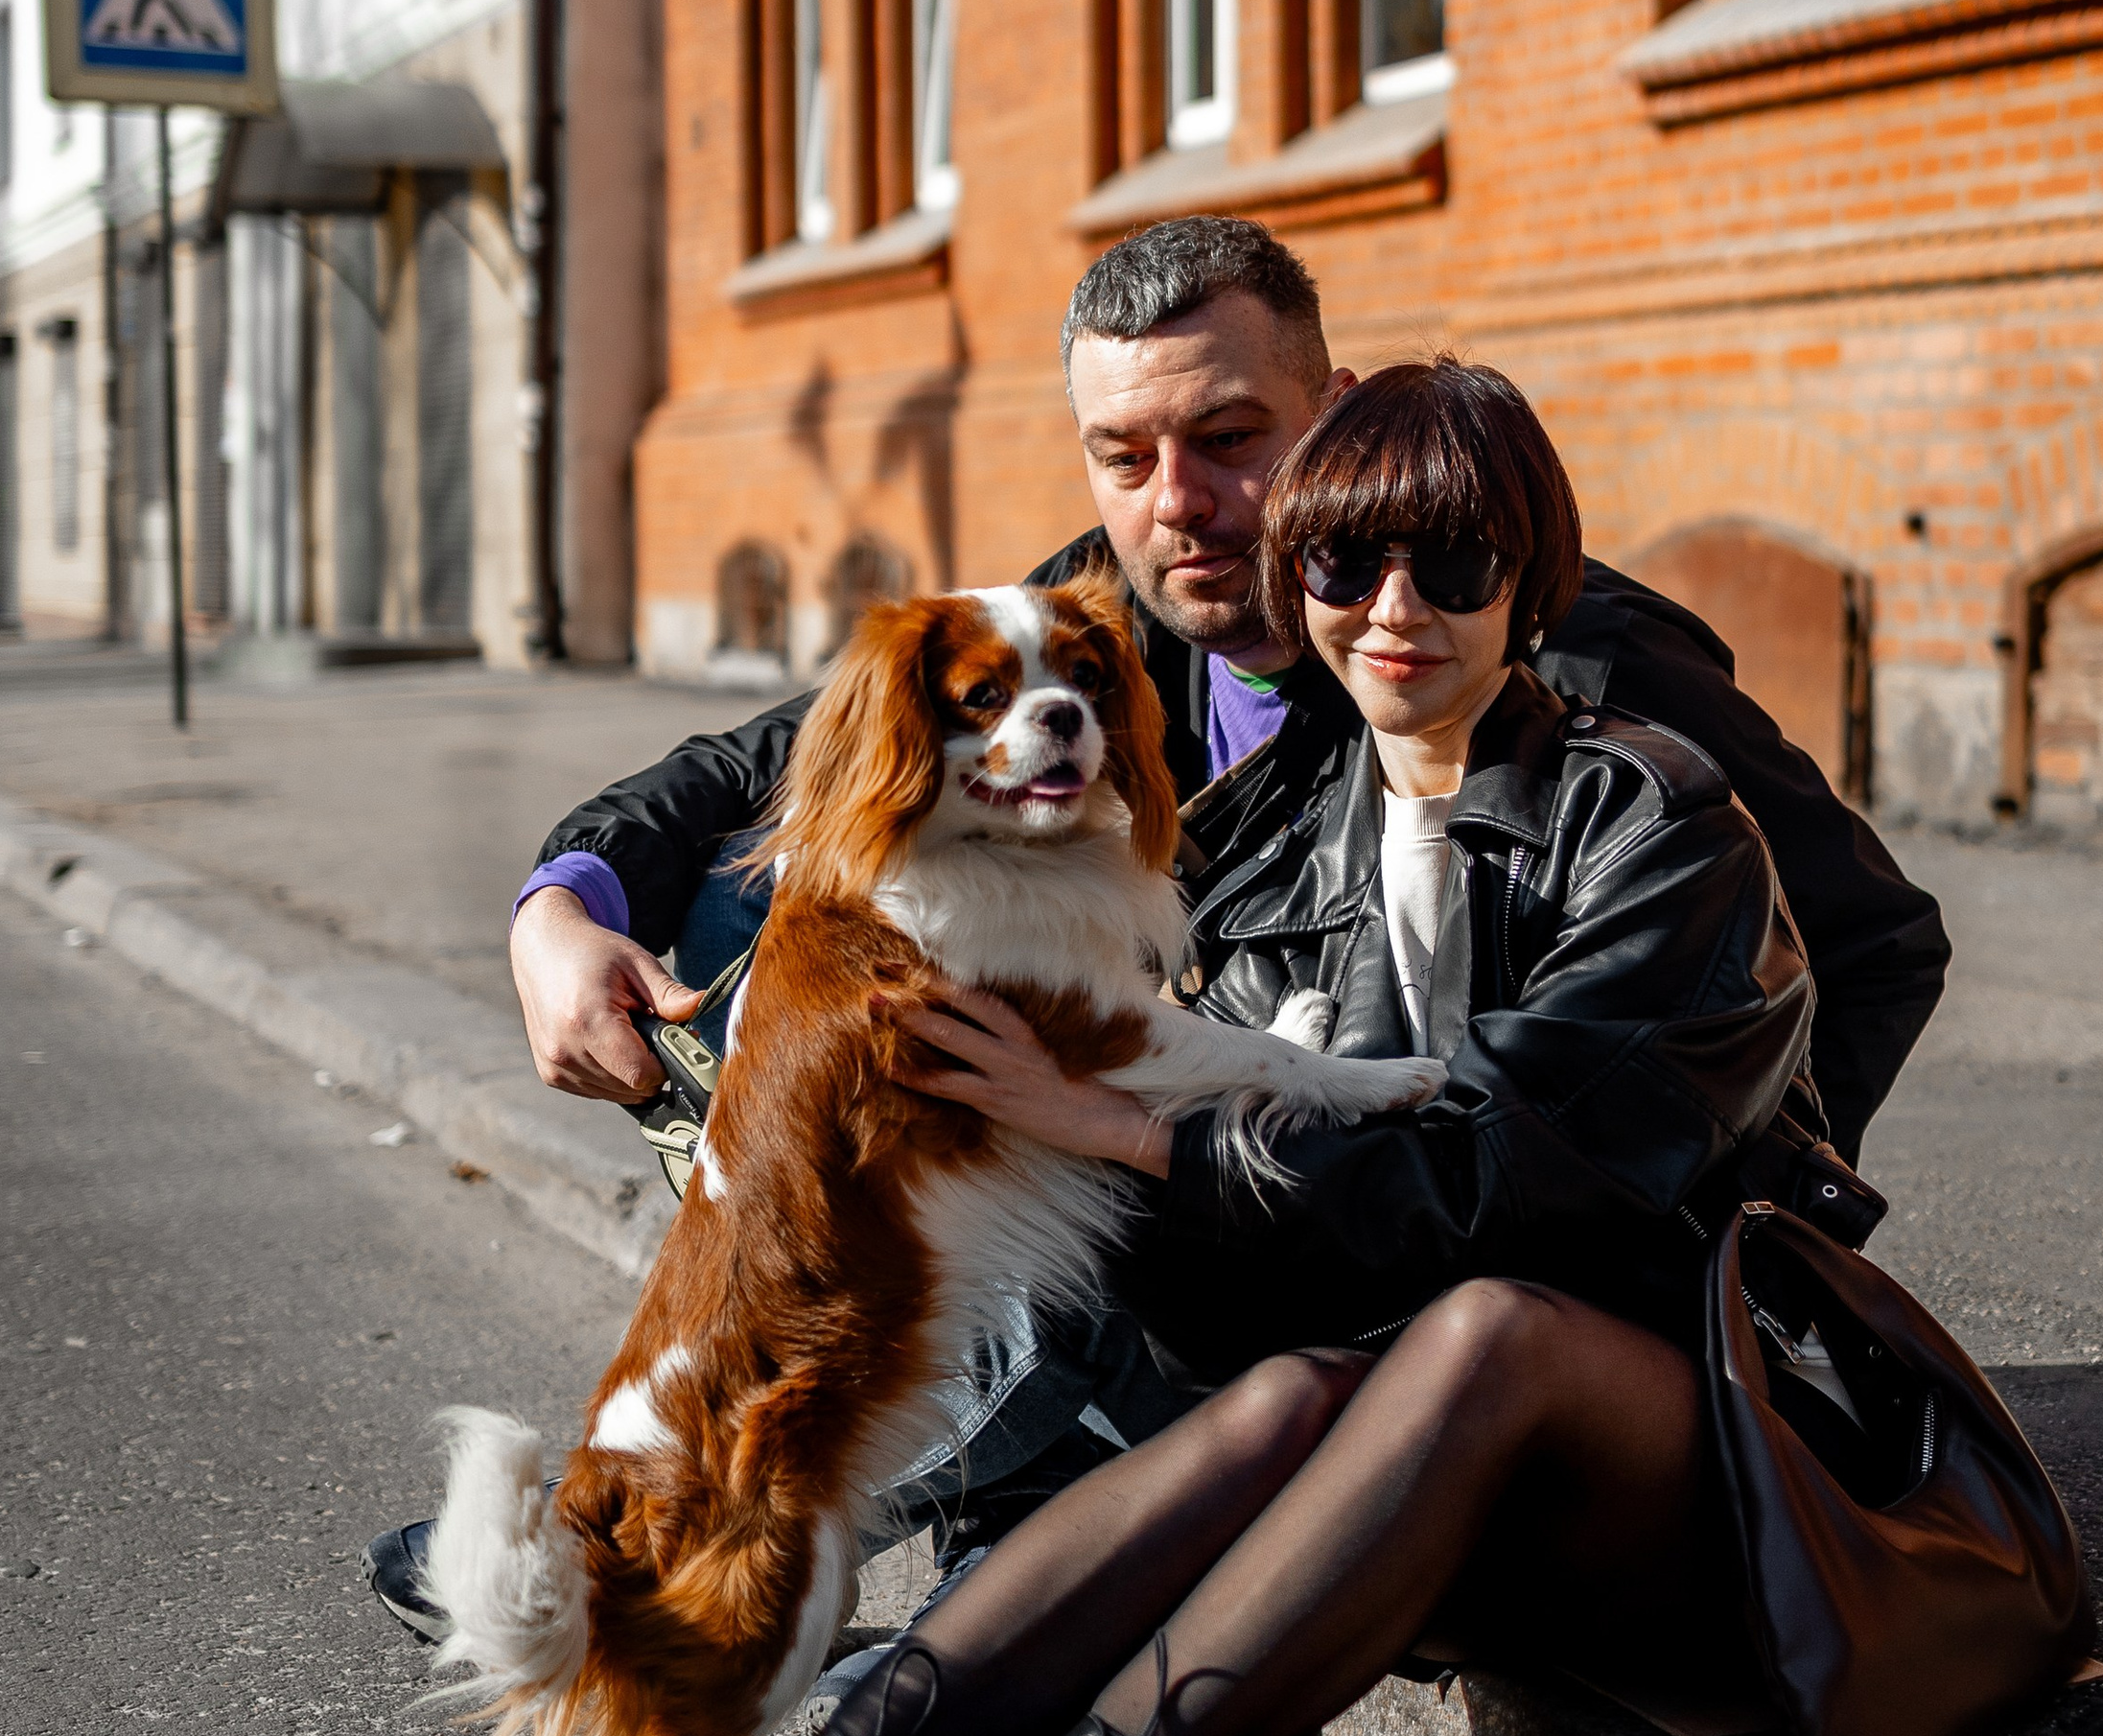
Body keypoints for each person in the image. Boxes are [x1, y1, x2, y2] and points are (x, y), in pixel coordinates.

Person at [432, 358, 1821, 1736]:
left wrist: (1122, 1129)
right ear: (1293, 590)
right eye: (1345, 569)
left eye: (1456, 564)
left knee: (1475, 1332)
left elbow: (1501, 1191)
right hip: (1396, 1461)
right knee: (1300, 1391)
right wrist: (573, 896)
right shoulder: (1302, 820)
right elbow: (797, 765)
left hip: (1679, 1444)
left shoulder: (1657, 821)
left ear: (1539, 579)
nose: (1393, 609)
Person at [370, 220, 1947, 1630]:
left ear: (1335, 414)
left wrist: (1695, 1220)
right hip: (1210, 1155)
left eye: (1230, 438)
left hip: (1402, 1214)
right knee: (802, 891)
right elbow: (771, 761)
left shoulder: (1548, 650)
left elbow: (1872, 945)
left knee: (1062, 1180)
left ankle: (793, 1566)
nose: (1178, 505)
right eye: (1123, 456)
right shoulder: (1114, 613)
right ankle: (853, 1530)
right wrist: (564, 900)